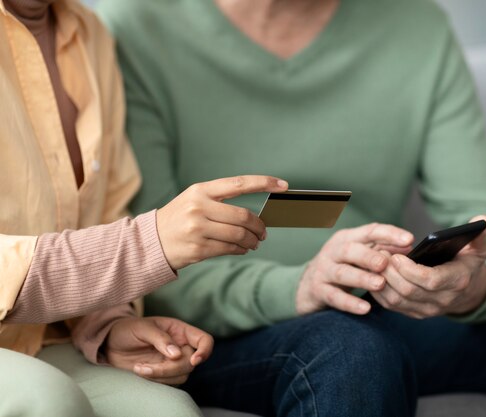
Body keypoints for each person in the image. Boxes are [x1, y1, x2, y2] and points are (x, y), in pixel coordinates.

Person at [97, 0, 486, 415]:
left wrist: (470, 286)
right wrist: (301, 286)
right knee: (351, 353)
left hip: (373, 314)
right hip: (220, 333)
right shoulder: (134, 26)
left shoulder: (416, 29)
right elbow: (140, 264)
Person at [0, 0, 288, 416]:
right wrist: (146, 243)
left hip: (42, 338)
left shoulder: (89, 33)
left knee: (170, 411)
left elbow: (103, 212)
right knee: (45, 401)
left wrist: (107, 325)